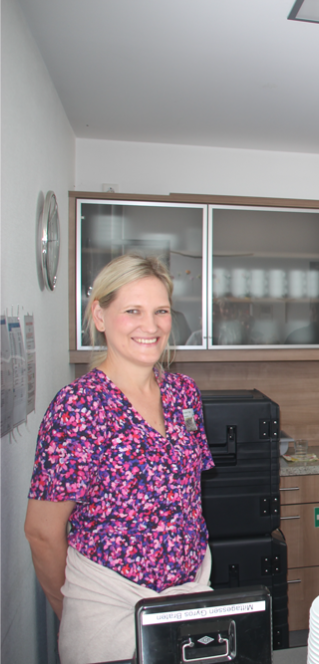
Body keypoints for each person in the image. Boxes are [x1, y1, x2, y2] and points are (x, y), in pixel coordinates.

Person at [24, 254, 214, 664]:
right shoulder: (78, 407)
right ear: (100, 315)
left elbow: (187, 496)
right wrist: (73, 606)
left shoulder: (183, 393)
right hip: (107, 607)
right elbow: (41, 532)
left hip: (190, 595)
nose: (151, 326)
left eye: (161, 311)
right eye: (133, 311)